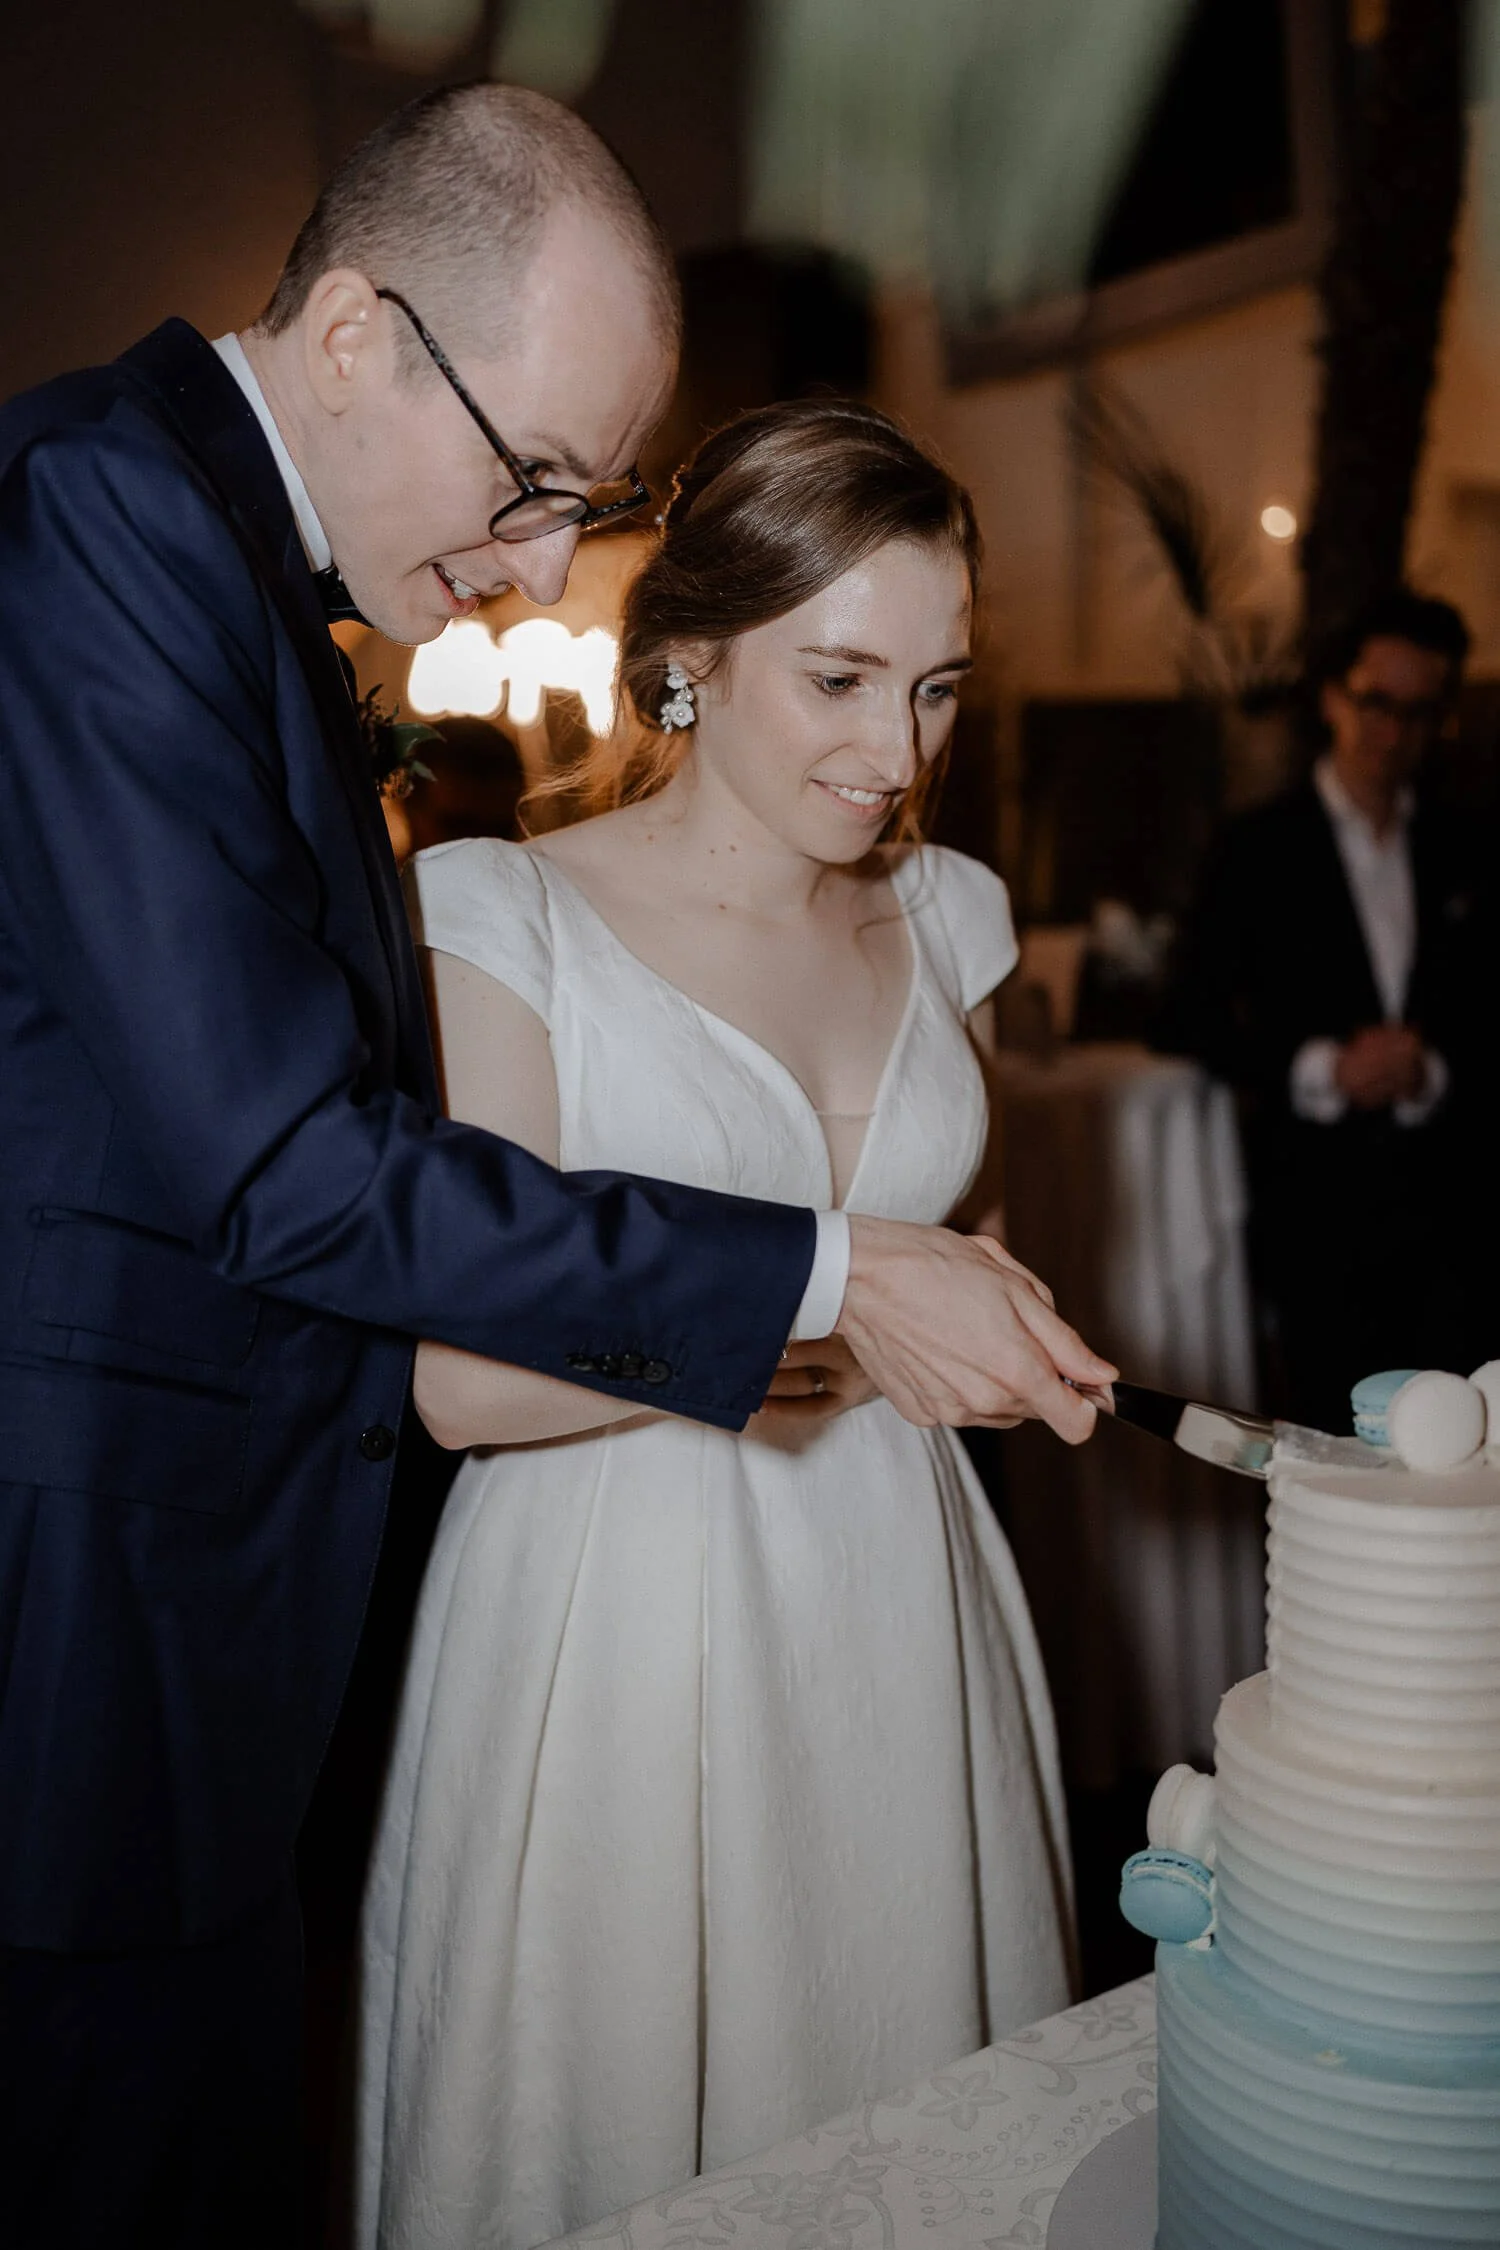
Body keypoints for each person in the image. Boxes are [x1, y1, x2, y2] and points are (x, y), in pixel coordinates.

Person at [0, 82, 1112, 2250]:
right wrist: (833, 1277)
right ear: (351, 337)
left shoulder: (247, 578)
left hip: (216, 1619)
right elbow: (288, 1168)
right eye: (532, 482)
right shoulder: (101, 518)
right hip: (95, 1623)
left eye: (579, 502)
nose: (540, 562)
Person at [355, 400, 1078, 2250]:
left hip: (904, 1602)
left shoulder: (954, 914)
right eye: (838, 678)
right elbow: (457, 1377)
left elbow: (963, 1241)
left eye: (936, 687)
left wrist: (991, 1326)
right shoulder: (500, 912)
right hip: (616, 1626)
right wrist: (859, 1312)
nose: (892, 751)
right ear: (687, 663)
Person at [1156, 588, 1495, 1430]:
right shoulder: (1259, 846)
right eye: (1378, 703)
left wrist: (1434, 1068)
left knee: (1461, 1465)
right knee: (1330, 1463)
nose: (1395, 731)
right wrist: (1322, 1069)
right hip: (1317, 1218)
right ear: (1334, 698)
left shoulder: (1471, 848)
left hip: (1457, 1223)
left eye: (1421, 712)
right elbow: (1186, 1013)